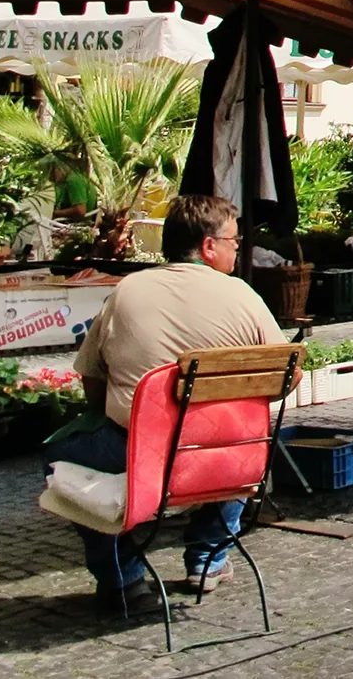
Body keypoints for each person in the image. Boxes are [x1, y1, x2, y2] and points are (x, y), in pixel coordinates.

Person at [50, 195, 286, 615]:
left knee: (57, 456)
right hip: (229, 460)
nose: (238, 248)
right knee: (243, 431)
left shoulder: (127, 290)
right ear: (209, 246)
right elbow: (286, 374)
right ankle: (208, 559)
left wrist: (105, 413)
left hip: (143, 456)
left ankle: (123, 582)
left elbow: (92, 375)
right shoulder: (243, 295)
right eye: (234, 240)